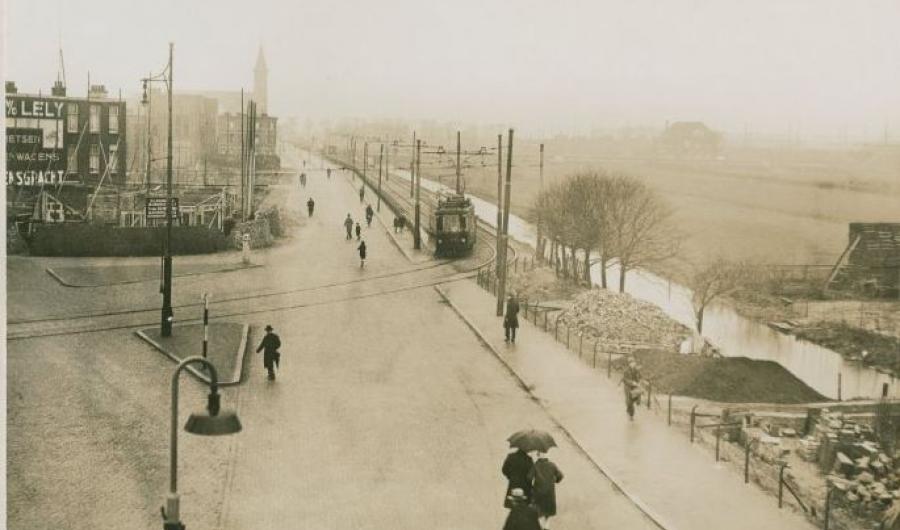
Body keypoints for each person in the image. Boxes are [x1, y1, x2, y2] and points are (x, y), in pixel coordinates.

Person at [527, 452, 564, 530]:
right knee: (548, 511)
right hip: (549, 492)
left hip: (538, 492)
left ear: (538, 456)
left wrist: (532, 486)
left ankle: (541, 526)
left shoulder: (536, 465)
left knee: (539, 511)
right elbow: (560, 476)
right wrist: (554, 480)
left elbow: (529, 477)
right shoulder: (552, 465)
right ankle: (546, 526)